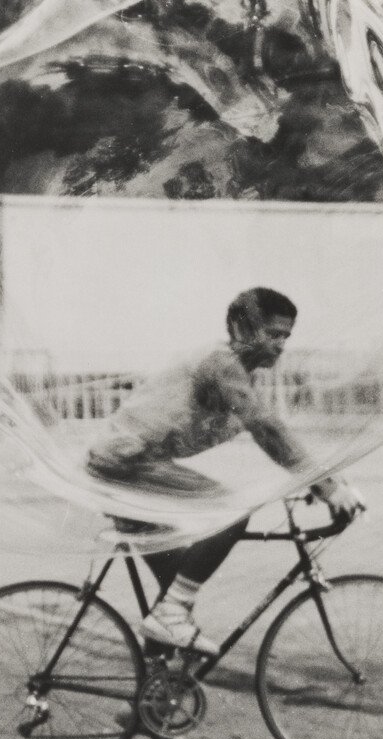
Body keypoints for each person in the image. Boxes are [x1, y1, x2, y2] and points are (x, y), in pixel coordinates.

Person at [86, 285, 364, 716]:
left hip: (129, 465)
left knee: (173, 589)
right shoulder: (221, 363)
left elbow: (274, 438)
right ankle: (169, 622)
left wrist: (324, 482)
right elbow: (267, 429)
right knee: (232, 513)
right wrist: (327, 488)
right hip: (127, 465)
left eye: (287, 336)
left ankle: (152, 711)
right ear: (240, 327)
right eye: (273, 333)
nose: (281, 345)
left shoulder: (240, 374)